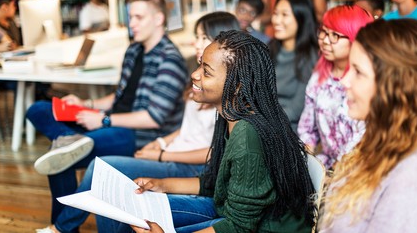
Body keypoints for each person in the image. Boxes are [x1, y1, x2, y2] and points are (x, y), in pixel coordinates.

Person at [35, 11, 240, 233]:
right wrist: (162, 142)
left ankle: (59, 227)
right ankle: (66, 140)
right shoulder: (141, 55)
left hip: (182, 162)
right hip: (168, 148)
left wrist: (162, 154)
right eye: (197, 36)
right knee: (40, 115)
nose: (195, 42)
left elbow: (212, 152)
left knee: (100, 169)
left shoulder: (217, 94)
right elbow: (189, 129)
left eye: (203, 37)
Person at [99, 30, 317, 232]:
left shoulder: (247, 136)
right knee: (130, 212)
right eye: (199, 65)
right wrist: (161, 184)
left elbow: (239, 227)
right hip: (229, 214)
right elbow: (212, 183)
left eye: (206, 72)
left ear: (237, 85)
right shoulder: (230, 114)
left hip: (258, 228)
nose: (194, 75)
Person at [27, 0, 188, 226]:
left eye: (138, 17)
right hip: (111, 121)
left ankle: (61, 225)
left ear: (159, 18)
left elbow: (153, 117)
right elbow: (119, 97)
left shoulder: (170, 60)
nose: (131, 23)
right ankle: (67, 140)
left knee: (59, 160)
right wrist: (86, 104)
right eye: (130, 16)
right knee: (39, 109)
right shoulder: (133, 51)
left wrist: (103, 120)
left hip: (138, 134)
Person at [319, 19, 417, 233]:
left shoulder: (410, 176)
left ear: (395, 86)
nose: (345, 81)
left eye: (358, 71)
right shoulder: (376, 139)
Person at [297, 5, 373, 170]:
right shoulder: (319, 76)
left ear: (356, 39)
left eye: (335, 35)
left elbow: (364, 136)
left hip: (356, 169)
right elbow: (307, 127)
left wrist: (338, 170)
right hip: (323, 166)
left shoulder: (366, 82)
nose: (324, 40)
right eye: (324, 32)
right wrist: (307, 159)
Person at [269, 0, 319, 132]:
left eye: (285, 15)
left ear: (301, 18)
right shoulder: (269, 48)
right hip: (263, 123)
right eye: (275, 14)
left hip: (289, 131)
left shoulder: (310, 56)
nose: (277, 20)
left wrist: (264, 122)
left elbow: (297, 108)